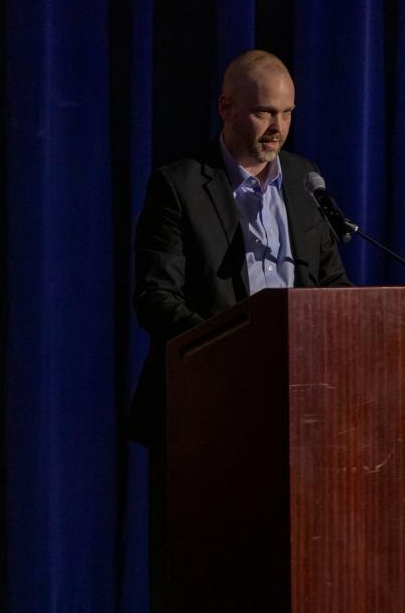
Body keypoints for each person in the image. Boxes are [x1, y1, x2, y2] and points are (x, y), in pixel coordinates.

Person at [127, 49, 350, 611]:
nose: (277, 127)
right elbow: (156, 298)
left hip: (302, 409)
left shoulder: (304, 181)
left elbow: (332, 284)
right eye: (262, 113)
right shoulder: (179, 185)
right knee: (216, 580)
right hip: (208, 411)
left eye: (287, 113)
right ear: (226, 107)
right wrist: (230, 355)